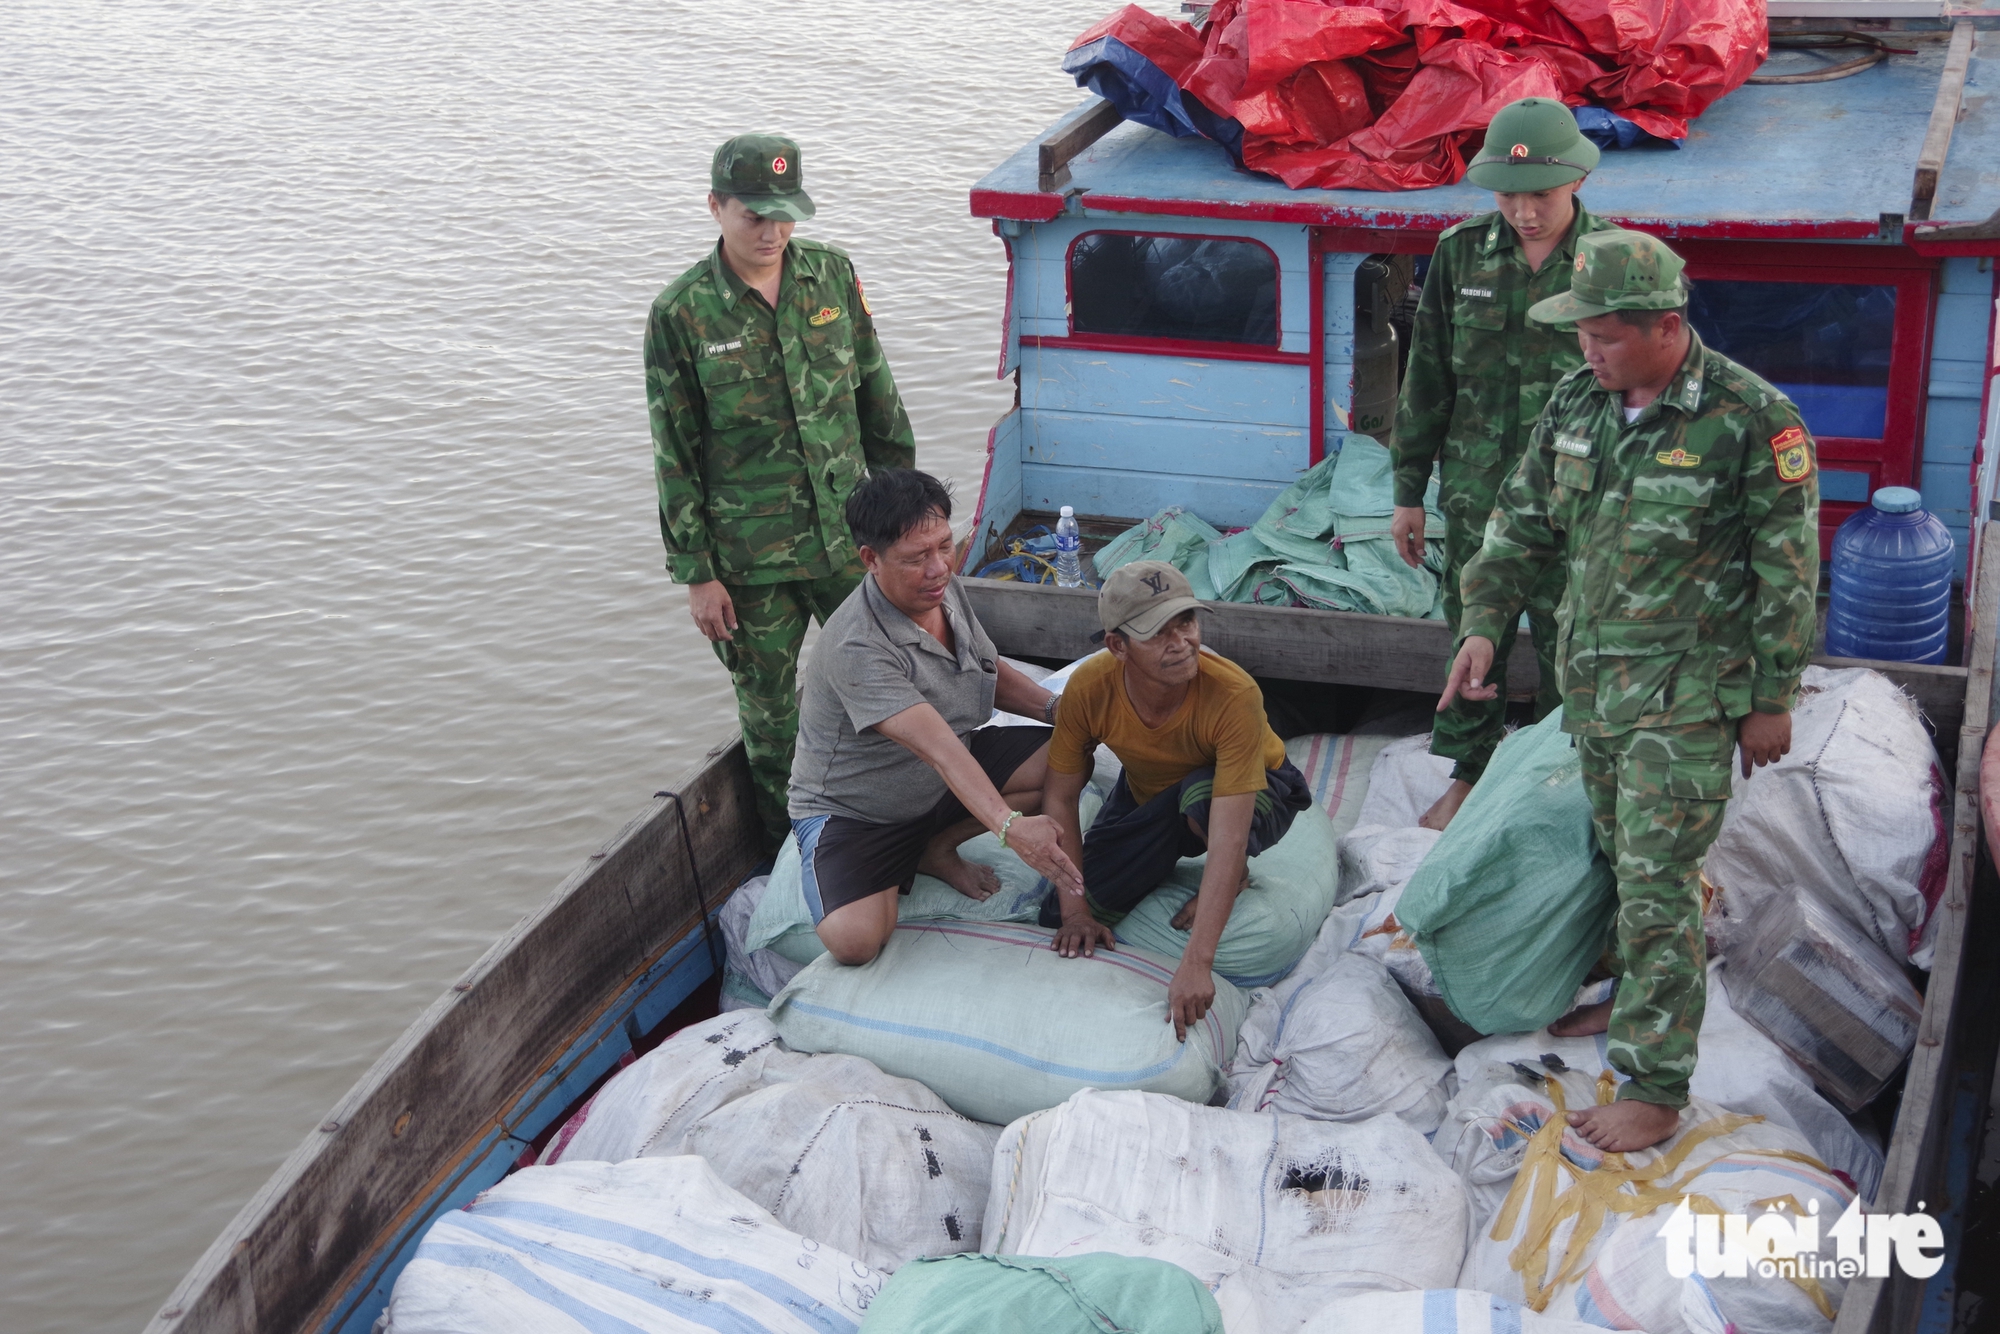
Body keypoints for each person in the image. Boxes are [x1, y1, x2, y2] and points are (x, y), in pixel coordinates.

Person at [1437, 229, 1819, 1152]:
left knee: (1653, 885)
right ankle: (1621, 993)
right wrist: (1483, 625)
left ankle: (1655, 1086)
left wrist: (1772, 699)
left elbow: (1791, 570)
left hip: (1686, 704)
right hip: (1595, 693)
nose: (1588, 353)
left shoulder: (1751, 422)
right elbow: (1518, 522)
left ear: (1666, 327)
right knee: (1617, 859)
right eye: (1581, 336)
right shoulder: (1579, 404)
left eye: (1605, 338)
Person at [646, 133, 916, 844]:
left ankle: (908, 832)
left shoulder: (829, 275)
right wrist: (697, 575)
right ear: (715, 207)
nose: (772, 232)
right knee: (772, 729)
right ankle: (795, 860)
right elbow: (673, 452)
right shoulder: (682, 314)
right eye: (753, 217)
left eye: (784, 214)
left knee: (896, 687)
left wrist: (907, 522)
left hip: (848, 541)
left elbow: (876, 396)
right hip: (749, 562)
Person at [1390, 98, 1618, 831]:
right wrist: (1407, 493)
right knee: (1473, 639)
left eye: (1540, 195)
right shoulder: (1460, 253)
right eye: (1508, 194)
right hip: (1477, 497)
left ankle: (1552, 781)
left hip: (1577, 502)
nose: (1524, 211)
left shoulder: (1616, 261)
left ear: (1576, 180)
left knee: (1570, 643)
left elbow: (1651, 391)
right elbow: (1426, 378)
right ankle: (1469, 773)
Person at [788, 469, 1084, 966]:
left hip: (935, 785)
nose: (937, 568)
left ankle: (934, 848)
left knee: (1068, 755)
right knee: (856, 943)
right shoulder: (856, 644)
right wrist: (1010, 827)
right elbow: (940, 748)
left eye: (944, 546)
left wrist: (1063, 712)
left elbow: (991, 672)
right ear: (870, 560)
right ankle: (903, 854)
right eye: (915, 558)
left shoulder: (942, 587)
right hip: (859, 811)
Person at [1037, 561, 1312, 1041]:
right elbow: (1060, 796)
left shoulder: (1233, 693)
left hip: (1259, 790)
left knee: (1198, 794)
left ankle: (1236, 879)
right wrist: (1077, 912)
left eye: (1186, 621)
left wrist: (1196, 963)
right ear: (1117, 646)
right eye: (1157, 632)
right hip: (1149, 788)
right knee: (1061, 914)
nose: (1182, 641)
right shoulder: (1089, 688)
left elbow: (1227, 831)